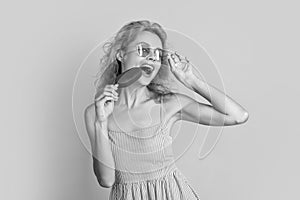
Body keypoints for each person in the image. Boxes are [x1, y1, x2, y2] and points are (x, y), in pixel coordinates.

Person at [84, 20, 249, 199]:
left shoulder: (169, 104)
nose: (152, 59)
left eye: (157, 55)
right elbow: (106, 180)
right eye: (143, 50)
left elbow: (238, 116)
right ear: (121, 55)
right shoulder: (95, 113)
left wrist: (191, 80)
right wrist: (101, 122)